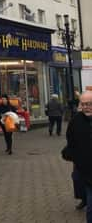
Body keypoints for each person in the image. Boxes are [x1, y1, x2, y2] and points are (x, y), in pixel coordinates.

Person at [66, 91, 92, 222]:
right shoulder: (76, 121)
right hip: (86, 171)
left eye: (90, 104)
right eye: (84, 104)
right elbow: (70, 141)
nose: (87, 107)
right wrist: (72, 155)